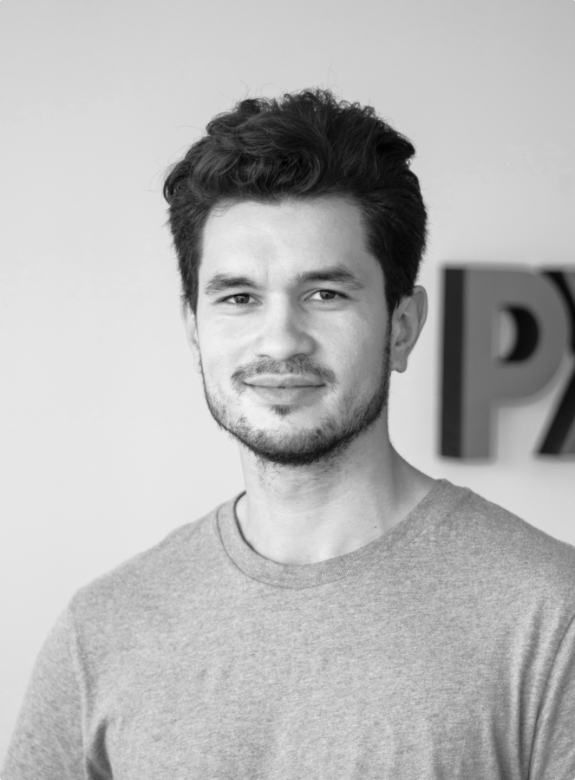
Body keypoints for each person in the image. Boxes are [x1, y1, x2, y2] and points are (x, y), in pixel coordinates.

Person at [3, 89, 575, 780]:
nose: (279, 340)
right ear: (194, 328)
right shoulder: (101, 631)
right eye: (238, 297)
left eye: (325, 294)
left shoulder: (549, 614)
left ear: (401, 326)